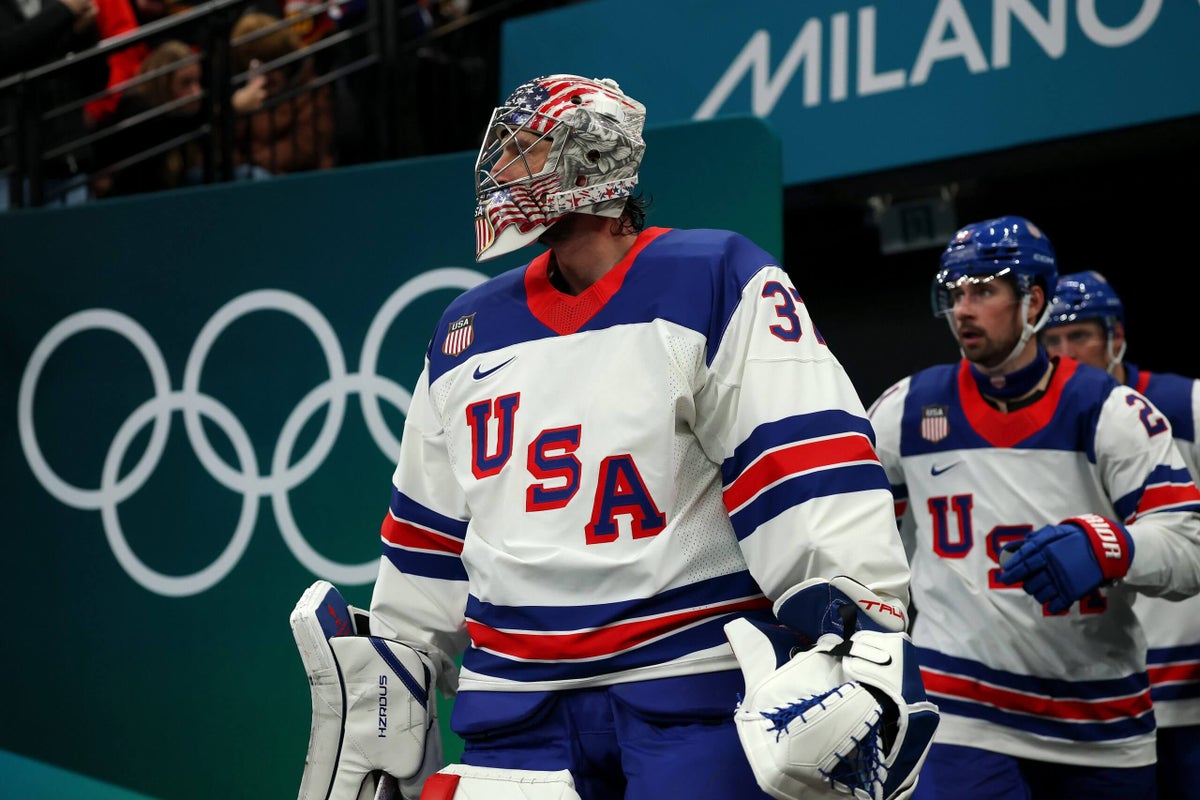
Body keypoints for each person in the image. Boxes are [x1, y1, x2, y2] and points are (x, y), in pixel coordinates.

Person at [288, 74, 939, 800]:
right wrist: (397, 670)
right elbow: (428, 534)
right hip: (514, 707)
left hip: (690, 685)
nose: (504, 172)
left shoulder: (715, 278)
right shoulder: (465, 329)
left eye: (530, 151)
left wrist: (855, 631)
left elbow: (800, 463)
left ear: (596, 166)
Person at [867, 216, 1200, 799]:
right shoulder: (904, 410)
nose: (963, 309)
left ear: (1034, 300)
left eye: (984, 290)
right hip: (963, 712)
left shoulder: (1112, 410)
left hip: (1100, 720)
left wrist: (1111, 547)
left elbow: (1189, 543)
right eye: (955, 293)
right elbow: (856, 534)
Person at [1042, 270, 1200, 800]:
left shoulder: (1186, 405)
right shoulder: (1043, 424)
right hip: (1096, 682)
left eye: (1080, 335)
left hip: (1187, 672)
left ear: (1116, 335)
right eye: (1053, 340)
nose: (1067, 352)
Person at [92, 38, 268, 197]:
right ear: (162, 83)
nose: (196, 92)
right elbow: (170, 127)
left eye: (197, 82)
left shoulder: (189, 115)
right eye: (186, 83)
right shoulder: (137, 107)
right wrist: (231, 107)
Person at [0, 0, 103, 208]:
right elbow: (7, 53)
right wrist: (63, 12)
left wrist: (84, 34)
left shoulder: (57, 5)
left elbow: (97, 81)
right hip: (9, 167)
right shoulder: (62, 8)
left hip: (66, 161)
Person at [229, 10, 336, 176]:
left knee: (254, 175)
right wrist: (236, 109)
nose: (268, 74)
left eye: (274, 62)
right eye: (259, 64)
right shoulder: (240, 95)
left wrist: (255, 163)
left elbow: (305, 147)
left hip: (300, 178)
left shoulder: (309, 88)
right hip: (250, 176)